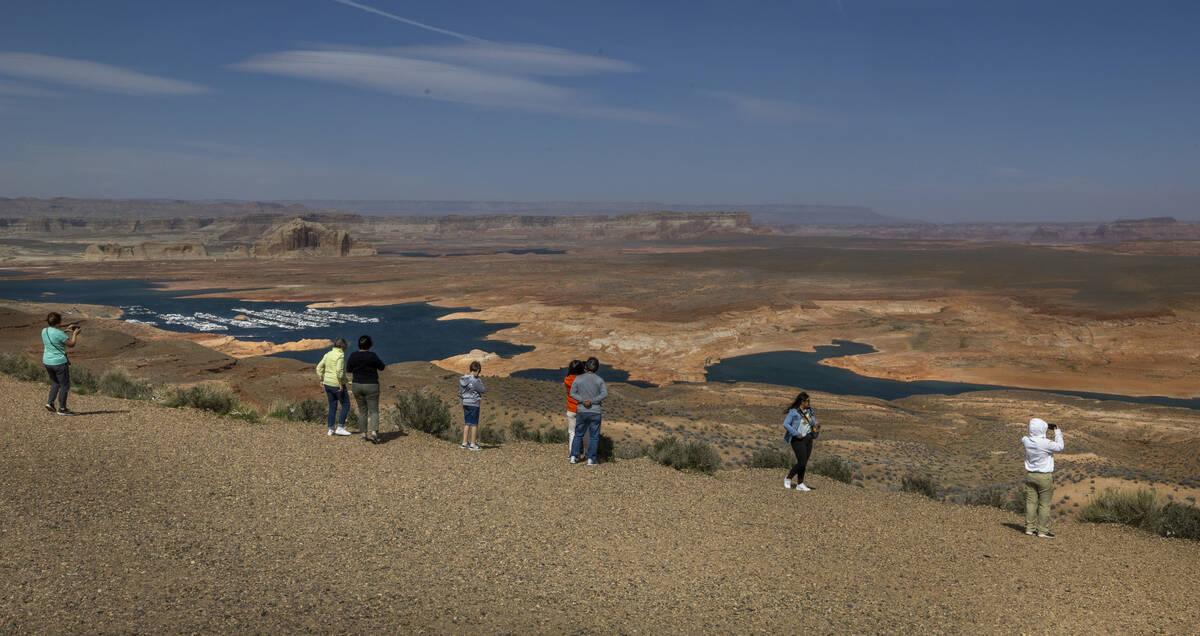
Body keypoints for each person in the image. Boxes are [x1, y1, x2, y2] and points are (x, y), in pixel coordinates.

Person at [1022, 417, 1064, 538]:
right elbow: (1060, 447)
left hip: (1030, 475)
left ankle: (1029, 528)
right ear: (1042, 429)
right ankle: (1042, 531)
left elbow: (1026, 436)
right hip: (1044, 477)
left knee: (1031, 503)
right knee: (1044, 504)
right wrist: (1056, 430)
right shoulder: (1046, 443)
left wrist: (1037, 429)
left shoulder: (1026, 441)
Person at [568, 357, 608, 465]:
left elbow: (572, 393)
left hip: (581, 410)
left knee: (578, 434)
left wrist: (583, 400)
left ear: (586, 367)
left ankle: (573, 456)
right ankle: (591, 459)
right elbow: (604, 394)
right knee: (594, 436)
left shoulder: (579, 379)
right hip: (595, 412)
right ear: (597, 368)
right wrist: (592, 401)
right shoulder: (599, 380)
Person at [346, 335, 385, 444]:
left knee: (362, 410)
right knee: (374, 410)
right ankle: (374, 433)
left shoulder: (353, 355)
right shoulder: (372, 356)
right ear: (370, 345)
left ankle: (363, 434)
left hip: (357, 385)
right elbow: (382, 367)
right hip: (371, 385)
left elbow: (348, 369)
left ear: (359, 345)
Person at [41, 312, 80, 416]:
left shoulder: (44, 331)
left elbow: (55, 335)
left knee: (55, 382)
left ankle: (50, 403)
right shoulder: (60, 334)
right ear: (59, 321)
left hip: (47, 362)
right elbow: (71, 344)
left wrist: (66, 330)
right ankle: (62, 409)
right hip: (59, 363)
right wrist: (74, 334)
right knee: (64, 385)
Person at [781, 392, 820, 491]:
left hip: (808, 438)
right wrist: (795, 433)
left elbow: (813, 421)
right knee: (801, 462)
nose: (809, 402)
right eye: (807, 401)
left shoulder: (810, 411)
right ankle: (788, 478)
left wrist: (817, 425)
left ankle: (800, 483)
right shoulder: (794, 412)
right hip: (798, 439)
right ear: (802, 401)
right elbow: (785, 424)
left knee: (804, 462)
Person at [316, 337, 351, 436]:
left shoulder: (328, 354)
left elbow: (319, 367)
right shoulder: (340, 355)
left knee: (332, 406)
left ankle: (331, 429)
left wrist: (321, 380)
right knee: (346, 404)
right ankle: (340, 427)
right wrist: (340, 384)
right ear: (342, 346)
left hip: (327, 384)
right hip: (337, 385)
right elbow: (339, 371)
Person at [458, 361, 486, 451]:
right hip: (474, 403)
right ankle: (473, 444)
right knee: (474, 424)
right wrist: (479, 381)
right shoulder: (475, 380)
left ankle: (464, 443)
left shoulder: (463, 379)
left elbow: (460, 392)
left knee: (467, 423)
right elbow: (482, 389)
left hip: (465, 403)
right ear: (477, 370)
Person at [563, 359, 584, 459]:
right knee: (586, 432)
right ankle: (588, 453)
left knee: (572, 432)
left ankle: (572, 454)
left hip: (571, 409)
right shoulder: (583, 380)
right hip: (582, 409)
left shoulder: (566, 380)